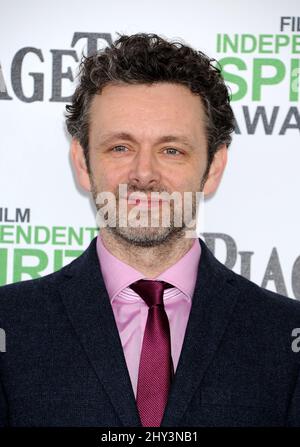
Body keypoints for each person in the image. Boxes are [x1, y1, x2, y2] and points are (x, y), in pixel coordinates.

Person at [0, 33, 300, 427]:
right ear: (82, 162)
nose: (144, 174)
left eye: (171, 149)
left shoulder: (285, 338)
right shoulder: (10, 325)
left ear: (213, 168)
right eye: (120, 147)